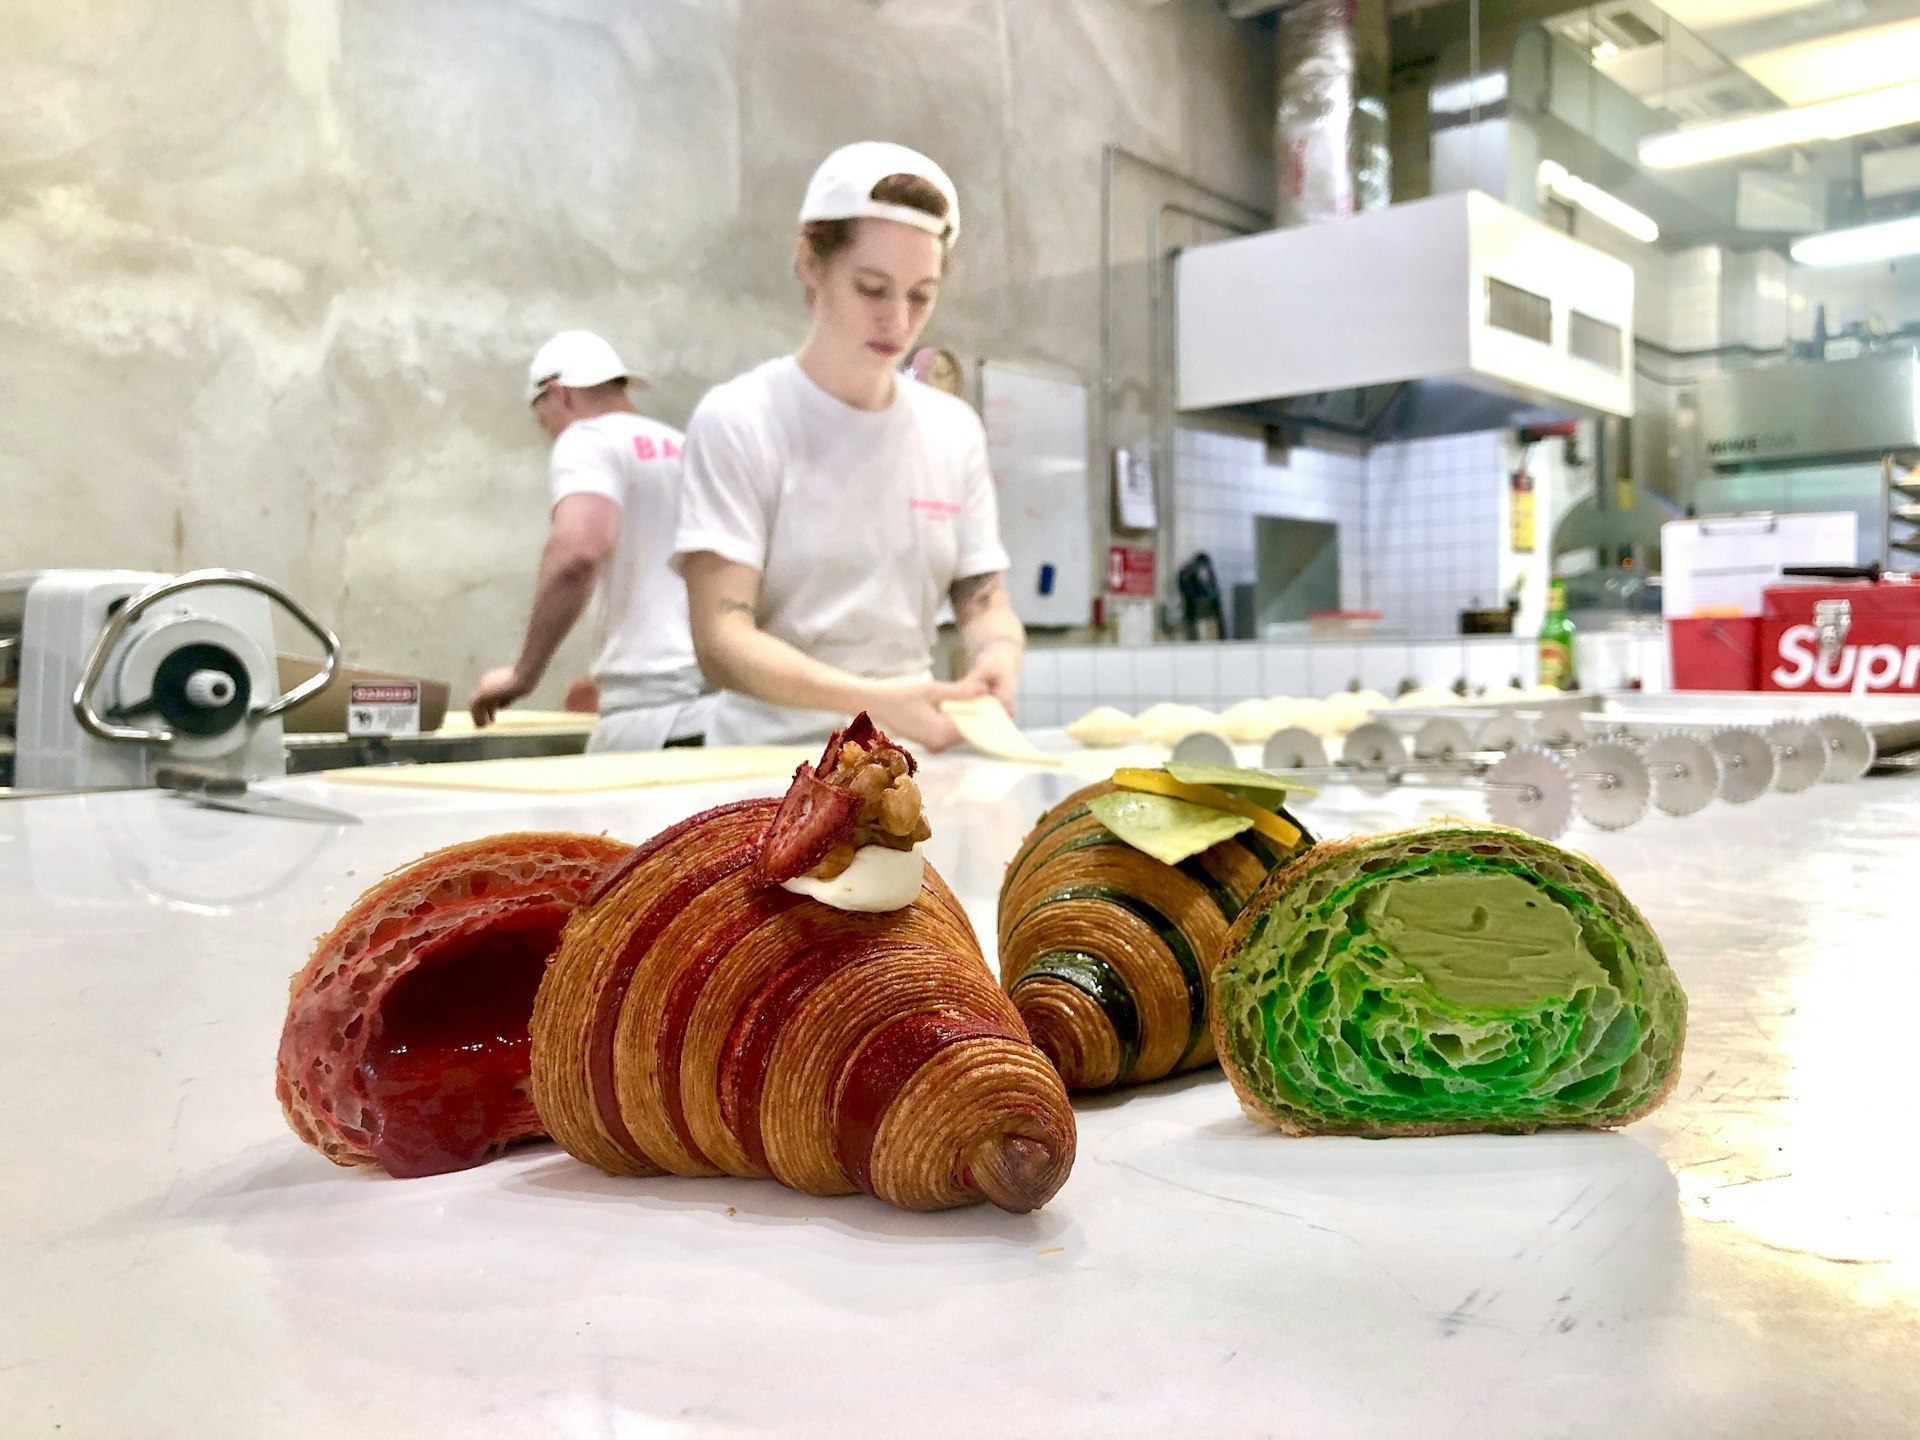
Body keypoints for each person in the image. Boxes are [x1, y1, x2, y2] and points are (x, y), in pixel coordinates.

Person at [671, 141, 1025, 750]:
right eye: (871, 288)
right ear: (810, 263)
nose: (899, 320)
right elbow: (721, 641)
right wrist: (870, 702)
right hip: (768, 768)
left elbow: (984, 600)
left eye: (921, 295)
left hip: (911, 760)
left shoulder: (952, 430)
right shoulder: (742, 420)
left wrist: (998, 652)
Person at [469, 330, 713, 749]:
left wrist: (521, 675)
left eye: (541, 416)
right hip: (718, 709)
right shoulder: (686, 447)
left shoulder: (587, 438)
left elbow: (577, 553)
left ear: (558, 393)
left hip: (651, 720)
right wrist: (611, 673)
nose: (547, 431)